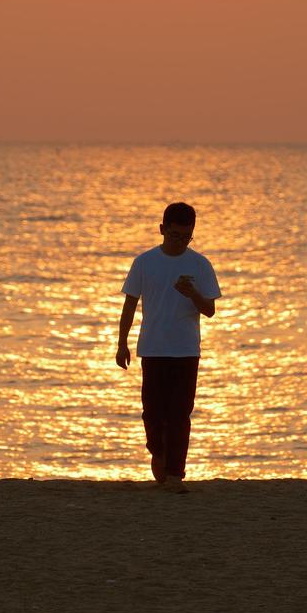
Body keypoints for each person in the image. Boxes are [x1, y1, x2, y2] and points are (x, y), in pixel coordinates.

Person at [116, 202, 222, 488]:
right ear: (162, 230)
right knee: (152, 412)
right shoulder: (145, 262)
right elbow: (130, 303)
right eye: (174, 235)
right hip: (153, 348)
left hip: (186, 350)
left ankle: (176, 475)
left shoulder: (200, 264)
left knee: (180, 414)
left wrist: (193, 294)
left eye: (186, 237)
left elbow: (209, 310)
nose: (179, 242)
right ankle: (158, 451)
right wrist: (121, 343)